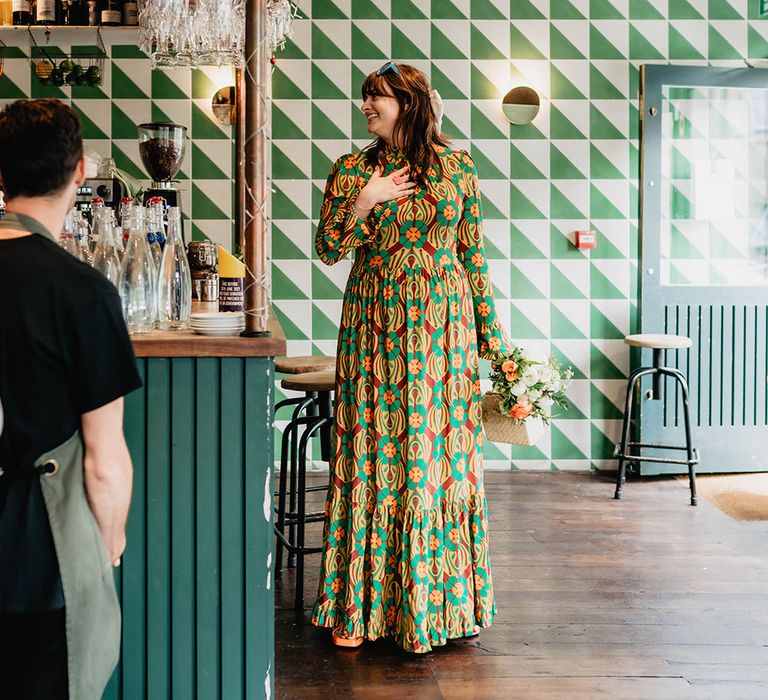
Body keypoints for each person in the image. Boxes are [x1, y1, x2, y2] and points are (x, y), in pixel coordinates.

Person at [311, 63, 512, 653]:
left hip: (444, 338)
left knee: (438, 460)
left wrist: (498, 354)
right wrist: (366, 202)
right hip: (376, 332)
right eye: (366, 97)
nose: (367, 106)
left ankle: (443, 607)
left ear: (412, 103)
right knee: (373, 456)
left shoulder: (457, 166)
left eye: (378, 98)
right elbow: (327, 249)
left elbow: (473, 259)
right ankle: (360, 608)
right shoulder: (353, 169)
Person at [0, 99, 141, 699]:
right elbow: (103, 461)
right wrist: (110, 537)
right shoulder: (82, 292)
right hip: (38, 554)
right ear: (80, 171)